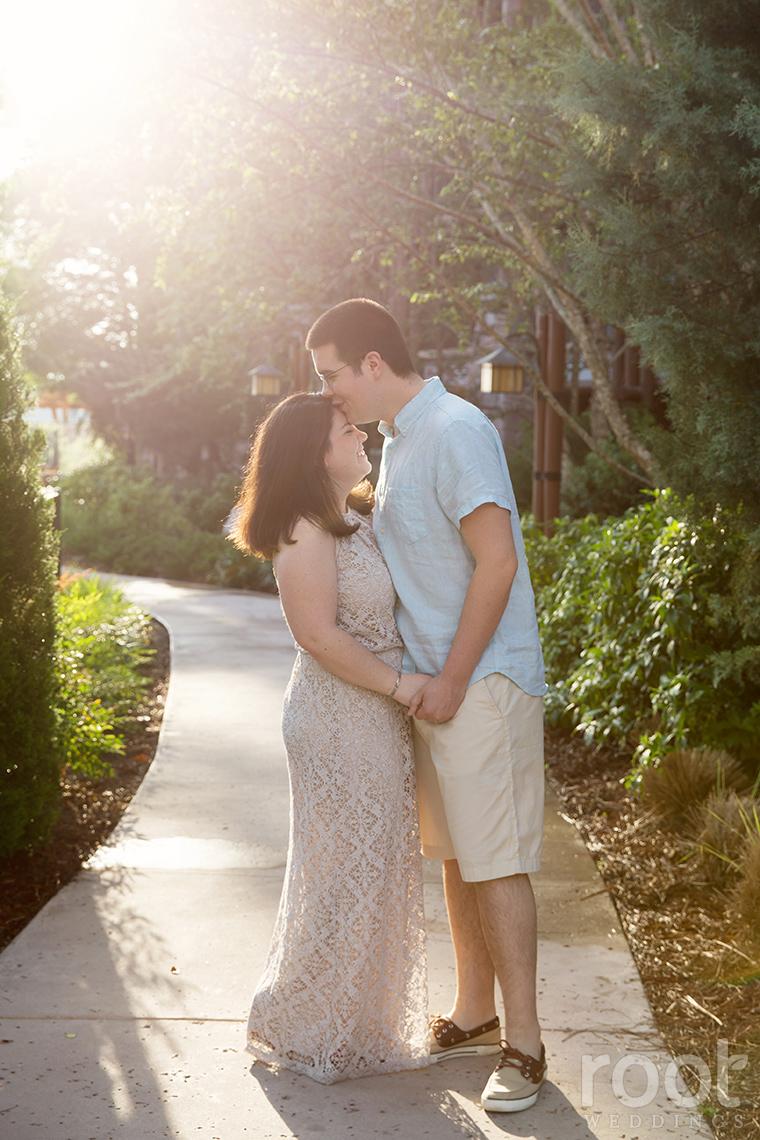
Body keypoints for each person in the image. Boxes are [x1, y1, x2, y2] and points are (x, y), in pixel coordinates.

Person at [306, 299, 548, 1113]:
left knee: (496, 859)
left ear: (373, 363)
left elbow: (498, 564)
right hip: (436, 689)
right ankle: (475, 1010)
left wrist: (449, 678)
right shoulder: (401, 445)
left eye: (333, 375)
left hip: (480, 682)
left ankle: (526, 1044)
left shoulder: (455, 430)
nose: (330, 393)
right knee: (456, 854)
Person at [230, 392, 430, 1085]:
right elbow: (316, 636)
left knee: (370, 866)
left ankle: (355, 1023)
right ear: (318, 452)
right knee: (343, 873)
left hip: (373, 712)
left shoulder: (357, 515)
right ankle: (302, 1021)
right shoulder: (301, 529)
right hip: (338, 714)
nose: (363, 433)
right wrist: (401, 686)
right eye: (349, 430)